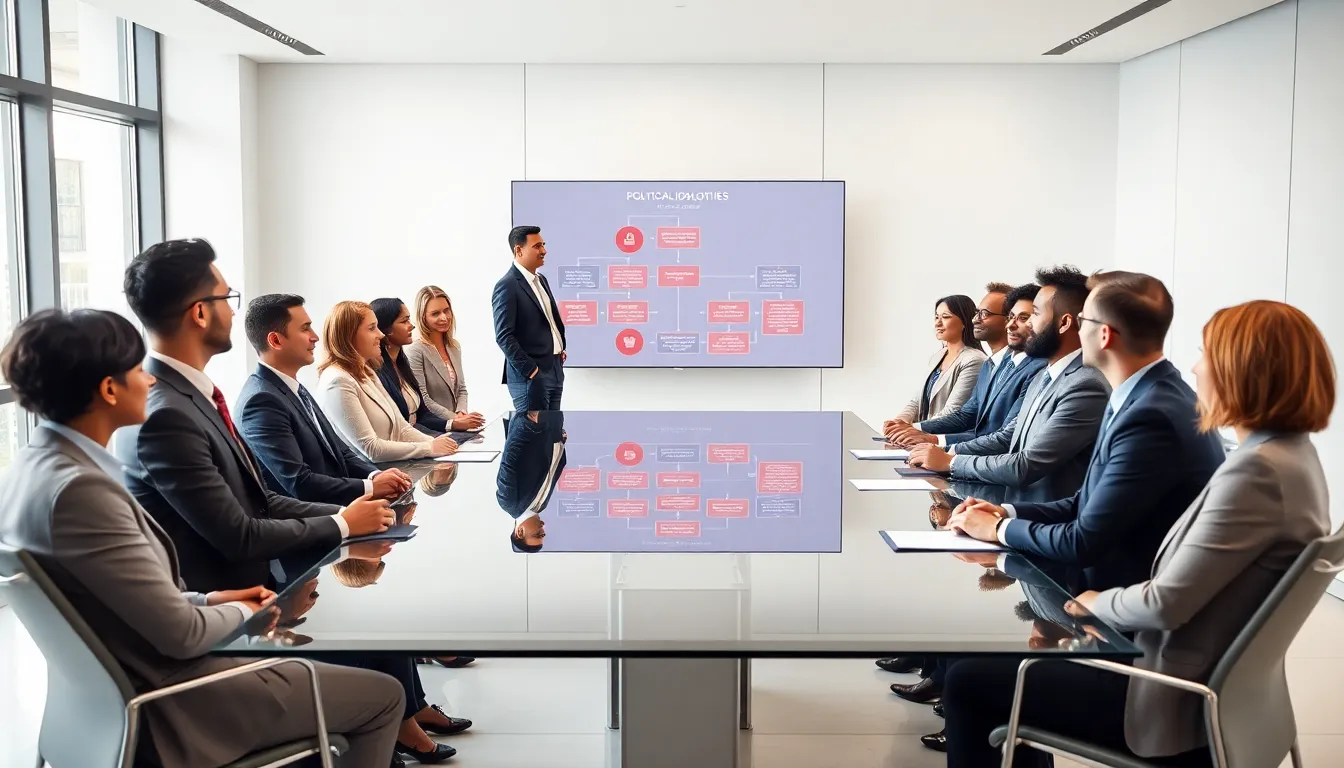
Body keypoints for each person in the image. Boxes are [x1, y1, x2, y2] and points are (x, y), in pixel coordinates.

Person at [0, 308, 404, 768]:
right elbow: (182, 636)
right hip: (175, 701)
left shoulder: (31, 470)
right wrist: (244, 610)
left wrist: (210, 600)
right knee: (383, 696)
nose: (149, 381)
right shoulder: (82, 492)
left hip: (99, 707)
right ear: (109, 390)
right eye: (137, 370)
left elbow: (114, 598)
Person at [943, 299, 1335, 767]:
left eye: (1206, 355)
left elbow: (1167, 602)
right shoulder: (1293, 458)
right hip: (1222, 693)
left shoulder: (1258, 473)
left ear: (1244, 372)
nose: (1196, 369)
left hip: (1167, 700)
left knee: (966, 679)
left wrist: (1095, 603)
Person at [114, 240, 395, 593]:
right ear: (200, 313)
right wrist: (343, 523)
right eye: (227, 298)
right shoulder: (166, 416)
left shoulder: (189, 394)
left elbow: (258, 501)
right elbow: (240, 535)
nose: (235, 313)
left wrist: (347, 516)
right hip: (234, 606)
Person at [947, 270, 1226, 593]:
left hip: (1115, 599)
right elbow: (1086, 501)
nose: (1076, 329)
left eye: (1083, 321)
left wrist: (998, 529)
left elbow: (1082, 542)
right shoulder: (1143, 393)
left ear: (1104, 335)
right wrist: (1006, 511)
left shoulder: (1150, 415)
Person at [907, 267, 1110, 493]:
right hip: (1010, 504)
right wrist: (943, 452)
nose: (1025, 325)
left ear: (1064, 323)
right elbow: (1009, 439)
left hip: (1037, 511)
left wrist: (951, 462)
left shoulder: (1085, 385)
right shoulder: (1044, 376)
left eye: (1034, 314)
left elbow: (1025, 465)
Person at [236, 294, 414, 505]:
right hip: (314, 517)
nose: (315, 337)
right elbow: (300, 484)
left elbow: (340, 450)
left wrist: (375, 476)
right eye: (305, 329)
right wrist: (370, 487)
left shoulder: (294, 387)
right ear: (275, 340)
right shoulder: (261, 401)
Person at [887, 283, 1046, 447]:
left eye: (985, 314)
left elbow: (1005, 437)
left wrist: (937, 444)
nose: (975, 319)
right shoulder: (991, 364)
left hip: (986, 457)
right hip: (972, 452)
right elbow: (967, 415)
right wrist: (913, 428)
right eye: (977, 313)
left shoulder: (1035, 369)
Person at [314, 300, 460, 463]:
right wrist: (429, 448)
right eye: (372, 328)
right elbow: (371, 449)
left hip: (394, 467)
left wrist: (435, 443)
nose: (381, 334)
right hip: (371, 473)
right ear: (349, 335)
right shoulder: (337, 381)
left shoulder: (366, 371)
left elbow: (401, 427)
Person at [493, 225, 567, 410]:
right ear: (519, 250)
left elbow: (548, 321)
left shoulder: (541, 280)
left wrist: (558, 348)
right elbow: (503, 336)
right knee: (532, 428)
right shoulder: (507, 285)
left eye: (543, 245)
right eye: (537, 246)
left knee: (553, 426)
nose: (544, 251)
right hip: (530, 377)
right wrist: (531, 370)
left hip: (554, 368)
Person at [887, 295, 986, 425]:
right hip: (921, 432)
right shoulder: (937, 357)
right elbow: (917, 400)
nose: (937, 323)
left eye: (945, 317)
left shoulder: (974, 360)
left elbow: (953, 411)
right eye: (936, 317)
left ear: (964, 321)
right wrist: (898, 421)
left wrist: (911, 429)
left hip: (942, 435)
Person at [405, 285, 486, 432]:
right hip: (432, 429)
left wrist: (461, 413)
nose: (444, 317)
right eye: (435, 313)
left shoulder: (454, 346)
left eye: (446, 310)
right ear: (423, 317)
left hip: (456, 426)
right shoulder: (415, 350)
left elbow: (461, 389)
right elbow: (423, 399)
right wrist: (455, 420)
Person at [370, 297, 449, 435]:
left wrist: (452, 423)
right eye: (404, 321)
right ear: (386, 328)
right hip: (407, 439)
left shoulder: (402, 363)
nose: (411, 326)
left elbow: (422, 414)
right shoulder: (376, 372)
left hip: (418, 435)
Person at [496, 411, 567, 553]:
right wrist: (560, 441)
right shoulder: (541, 506)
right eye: (543, 535)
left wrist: (527, 423)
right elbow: (551, 470)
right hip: (552, 430)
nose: (543, 530)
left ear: (520, 532)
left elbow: (510, 458)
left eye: (537, 534)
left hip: (533, 422)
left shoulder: (509, 503)